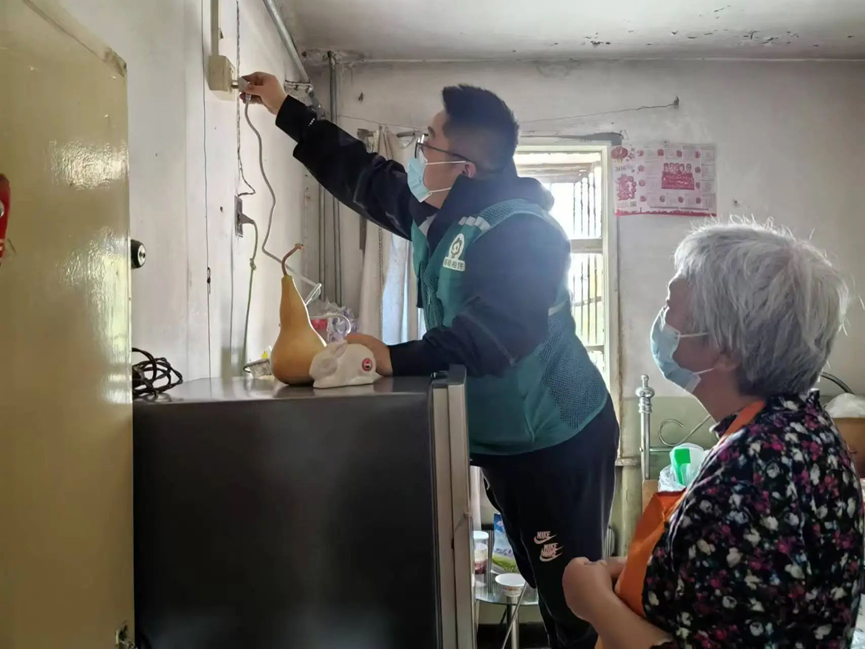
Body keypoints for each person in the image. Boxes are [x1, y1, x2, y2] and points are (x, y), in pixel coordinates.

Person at [243, 72, 619, 648]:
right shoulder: (432, 211)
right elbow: (363, 174)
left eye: (428, 143)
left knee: (575, 595)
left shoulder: (526, 234)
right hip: (504, 442)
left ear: (463, 166)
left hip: (559, 440)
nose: (418, 155)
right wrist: (281, 105)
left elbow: (497, 336)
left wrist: (393, 357)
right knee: (536, 570)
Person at [563, 221, 864, 648]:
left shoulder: (752, 473)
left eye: (671, 307)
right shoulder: (803, 427)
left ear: (724, 350)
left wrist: (593, 602)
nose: (662, 322)